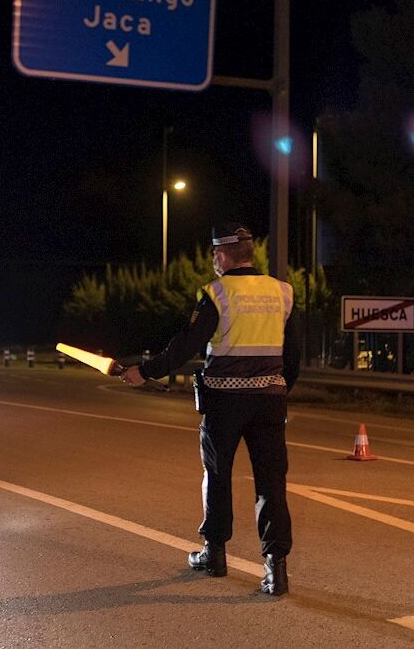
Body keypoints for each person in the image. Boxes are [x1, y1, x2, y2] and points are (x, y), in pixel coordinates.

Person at [121, 222, 299, 596]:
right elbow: (294, 353)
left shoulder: (217, 293)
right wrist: (279, 390)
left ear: (222, 255)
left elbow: (187, 344)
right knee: (271, 483)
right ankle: (275, 570)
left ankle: (214, 555)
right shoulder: (281, 292)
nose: (214, 260)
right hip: (269, 401)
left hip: (224, 402)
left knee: (217, 475)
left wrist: (146, 371)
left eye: (215, 254)